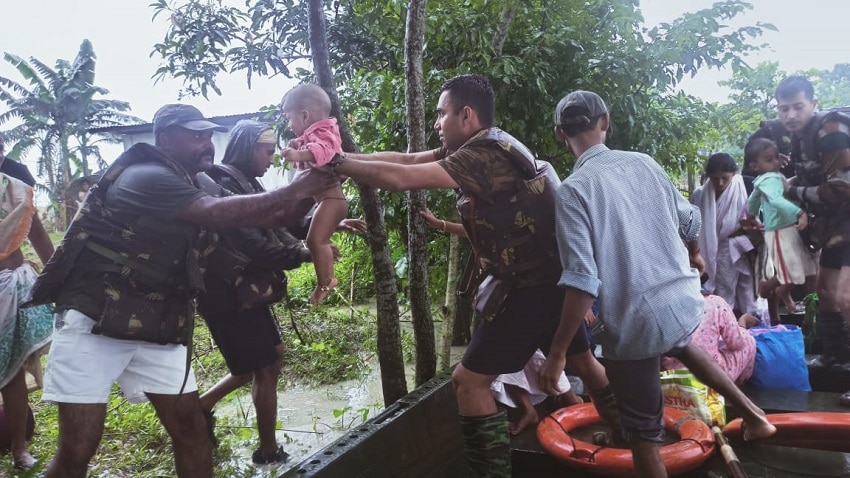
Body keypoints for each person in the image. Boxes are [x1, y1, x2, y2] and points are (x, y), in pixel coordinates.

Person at [328, 74, 614, 477]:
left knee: (469, 383)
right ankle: (629, 434)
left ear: (467, 115)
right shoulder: (494, 142)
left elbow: (400, 179)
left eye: (441, 113)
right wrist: (341, 159)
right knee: (584, 364)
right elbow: (408, 160)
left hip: (528, 290)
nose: (436, 122)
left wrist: (335, 163)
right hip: (551, 283)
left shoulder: (483, 154)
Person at [26, 104, 333, 478]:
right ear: (165, 138)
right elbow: (217, 214)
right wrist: (297, 188)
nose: (207, 143)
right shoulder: (145, 176)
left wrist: (316, 190)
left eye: (208, 135)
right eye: (196, 135)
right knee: (78, 447)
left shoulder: (198, 180)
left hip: (160, 319)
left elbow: (263, 216)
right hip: (96, 318)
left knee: (191, 430)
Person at [541, 90, 775, 478]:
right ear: (605, 122)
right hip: (682, 299)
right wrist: (695, 254)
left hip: (634, 323)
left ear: (559, 136)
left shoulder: (573, 191)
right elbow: (691, 221)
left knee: (643, 432)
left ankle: (656, 438)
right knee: (680, 341)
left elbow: (582, 281)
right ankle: (754, 415)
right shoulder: (644, 164)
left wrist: (558, 352)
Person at [419, 209, 582, 436]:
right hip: (507, 299)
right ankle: (537, 409)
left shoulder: (525, 206)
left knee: (541, 358)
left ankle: (577, 406)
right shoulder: (489, 209)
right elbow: (476, 233)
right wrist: (441, 225)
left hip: (533, 295)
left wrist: (580, 300)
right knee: (509, 364)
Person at [756, 77, 850, 390]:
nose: (791, 115)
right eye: (784, 109)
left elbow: (841, 189)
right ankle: (835, 357)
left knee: (845, 297)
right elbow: (812, 176)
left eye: (798, 106)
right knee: (824, 293)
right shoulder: (798, 137)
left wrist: (793, 188)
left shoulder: (831, 131)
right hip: (837, 227)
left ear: (814, 103)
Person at [0, 133, 55, 470]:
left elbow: (41, 241)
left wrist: (62, 283)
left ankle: (20, 447)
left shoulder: (16, 191)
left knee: (12, 372)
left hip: (10, 287)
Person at [280, 84, 349, 305]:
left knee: (315, 240)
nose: (289, 124)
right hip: (326, 201)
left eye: (289, 118)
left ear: (304, 115)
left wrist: (299, 152)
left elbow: (323, 152)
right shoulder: (312, 135)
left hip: (332, 200)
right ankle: (326, 280)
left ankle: (326, 282)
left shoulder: (323, 133)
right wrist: (297, 147)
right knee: (316, 240)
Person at [745, 137, 817, 316]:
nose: (776, 162)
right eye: (769, 159)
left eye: (777, 157)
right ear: (754, 166)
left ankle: (782, 291)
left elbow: (753, 199)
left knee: (804, 266)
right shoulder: (769, 179)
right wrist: (799, 213)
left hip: (785, 228)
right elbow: (776, 200)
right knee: (792, 268)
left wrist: (751, 215)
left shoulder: (767, 178)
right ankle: (767, 285)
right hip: (778, 230)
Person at [691, 152, 756, 316]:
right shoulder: (699, 195)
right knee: (712, 290)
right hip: (706, 248)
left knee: (737, 287)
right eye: (714, 178)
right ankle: (717, 323)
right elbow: (691, 225)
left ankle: (739, 322)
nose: (719, 183)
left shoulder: (747, 189)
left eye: (724, 178)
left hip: (735, 246)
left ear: (734, 174)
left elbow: (753, 220)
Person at [662, 294, 758, 385]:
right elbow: (737, 343)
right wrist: (742, 324)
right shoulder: (715, 303)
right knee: (748, 341)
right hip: (711, 376)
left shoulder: (662, 304)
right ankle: (740, 388)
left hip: (667, 373)